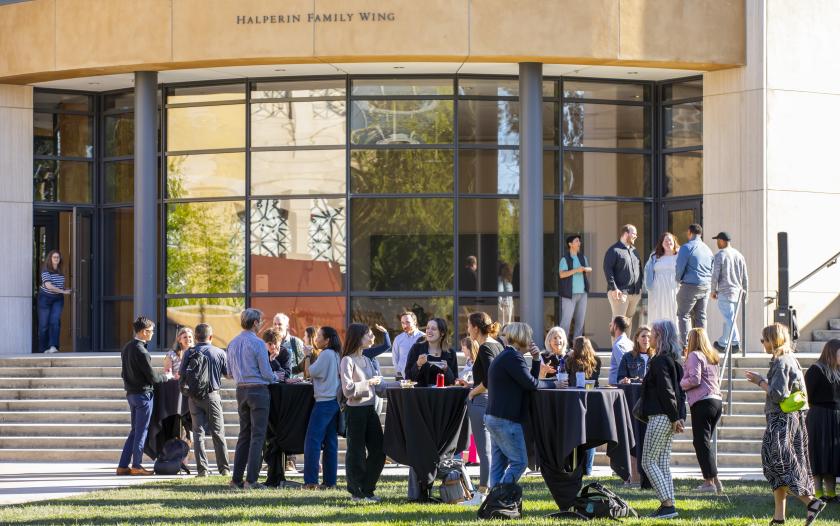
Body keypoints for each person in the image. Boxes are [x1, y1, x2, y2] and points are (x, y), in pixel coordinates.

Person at [745, 323, 826, 526]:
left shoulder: (782, 362)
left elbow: (778, 394)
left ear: (773, 340)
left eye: (764, 340)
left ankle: (811, 502)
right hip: (790, 419)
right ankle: (778, 518)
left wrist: (760, 381)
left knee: (779, 463)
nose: (763, 344)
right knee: (776, 466)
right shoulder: (789, 359)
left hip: (782, 419)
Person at [484, 322, 554, 488]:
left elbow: (527, 383)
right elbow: (532, 384)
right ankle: (501, 493)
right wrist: (554, 384)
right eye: (529, 336)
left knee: (499, 464)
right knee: (519, 463)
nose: (531, 340)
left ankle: (495, 498)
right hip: (505, 419)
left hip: (494, 417)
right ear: (521, 337)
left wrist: (536, 360)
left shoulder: (507, 356)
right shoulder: (513, 357)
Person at [640, 319, 686, 520]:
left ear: (660, 337)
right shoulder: (674, 361)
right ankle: (669, 505)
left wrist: (676, 417)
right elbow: (680, 393)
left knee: (648, 461)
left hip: (660, 416)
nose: (649, 337)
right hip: (669, 417)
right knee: (662, 462)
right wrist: (679, 417)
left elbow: (667, 391)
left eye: (653, 333)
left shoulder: (659, 361)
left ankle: (667, 504)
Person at [227, 308, 276, 490]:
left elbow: (229, 373)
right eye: (260, 321)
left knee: (244, 435)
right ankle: (251, 480)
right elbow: (266, 373)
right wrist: (275, 376)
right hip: (258, 390)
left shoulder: (232, 343)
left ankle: (236, 480)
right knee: (258, 436)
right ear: (255, 323)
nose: (261, 324)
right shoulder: (258, 343)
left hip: (241, 390)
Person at [340, 323, 386, 502]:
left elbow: (379, 387)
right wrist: (369, 382)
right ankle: (357, 492)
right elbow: (348, 390)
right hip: (355, 412)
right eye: (369, 334)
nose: (372, 337)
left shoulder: (367, 359)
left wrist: (401, 386)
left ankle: (367, 489)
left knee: (379, 450)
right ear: (358, 337)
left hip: (370, 409)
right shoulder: (347, 360)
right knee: (356, 452)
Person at [178, 323, 231, 477]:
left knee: (198, 433)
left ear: (195, 337)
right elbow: (228, 374)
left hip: (193, 397)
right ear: (211, 337)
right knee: (218, 432)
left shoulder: (189, 352)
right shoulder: (219, 352)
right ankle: (224, 469)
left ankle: (202, 470)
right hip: (212, 396)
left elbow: (181, 373)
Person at [463, 312, 504, 503]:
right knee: (493, 451)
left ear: (476, 328)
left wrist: (472, 392)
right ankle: (492, 490)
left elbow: (489, 379)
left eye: (468, 326)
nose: (467, 329)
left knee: (484, 451)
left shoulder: (486, 347)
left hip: (482, 402)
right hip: (495, 401)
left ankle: (481, 493)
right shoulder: (498, 345)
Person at [117, 316, 164, 476]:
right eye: (151, 331)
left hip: (131, 394)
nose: (152, 334)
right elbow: (153, 378)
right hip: (143, 395)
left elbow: (123, 373)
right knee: (141, 431)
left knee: (135, 431)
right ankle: (136, 465)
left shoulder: (127, 347)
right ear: (144, 332)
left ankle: (123, 466)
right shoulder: (142, 351)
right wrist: (167, 377)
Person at [680, 328, 722, 493]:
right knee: (705, 443)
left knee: (700, 443)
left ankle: (709, 482)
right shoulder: (712, 356)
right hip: (716, 401)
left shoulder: (694, 355)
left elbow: (694, 380)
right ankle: (715, 480)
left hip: (702, 402)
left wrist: (680, 383)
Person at [303, 326, 343, 490]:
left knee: (312, 441)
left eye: (319, 336)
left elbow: (308, 372)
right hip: (334, 401)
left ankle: (311, 481)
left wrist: (307, 355)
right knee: (330, 442)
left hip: (323, 402)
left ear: (327, 340)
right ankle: (329, 482)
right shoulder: (336, 354)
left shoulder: (325, 354)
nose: (316, 339)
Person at [805, 339, 840, 503]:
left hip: (836, 417)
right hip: (819, 417)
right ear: (832, 352)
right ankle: (818, 494)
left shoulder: (838, 371)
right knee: (819, 454)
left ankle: (832, 494)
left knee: (832, 456)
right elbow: (807, 395)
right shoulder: (816, 370)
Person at [566, 336, 602, 475]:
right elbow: (596, 380)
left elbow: (568, 378)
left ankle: (573, 467)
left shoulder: (570, 360)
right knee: (589, 436)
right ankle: (588, 469)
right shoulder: (596, 360)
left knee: (573, 434)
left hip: (573, 399)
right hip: (591, 398)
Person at [675, 224, 714, 345]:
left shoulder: (686, 247)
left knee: (683, 315)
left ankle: (686, 345)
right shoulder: (708, 249)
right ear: (700, 234)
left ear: (689, 232)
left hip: (690, 286)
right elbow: (712, 269)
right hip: (705, 286)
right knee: (701, 316)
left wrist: (678, 280)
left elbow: (679, 268)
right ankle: (702, 345)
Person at [710, 232, 749, 352]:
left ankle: (735, 343)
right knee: (730, 319)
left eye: (717, 240)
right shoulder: (739, 255)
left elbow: (715, 275)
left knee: (729, 318)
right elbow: (745, 277)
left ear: (722, 241)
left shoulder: (720, 255)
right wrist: (746, 293)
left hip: (725, 291)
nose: (717, 243)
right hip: (738, 293)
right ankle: (723, 343)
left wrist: (713, 290)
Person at [603, 225, 642, 331]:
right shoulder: (614, 250)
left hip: (634, 294)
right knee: (618, 325)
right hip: (620, 294)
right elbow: (607, 269)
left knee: (628, 325)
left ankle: (626, 343)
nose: (636, 236)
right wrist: (614, 288)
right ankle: (617, 343)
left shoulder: (634, 251)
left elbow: (639, 270)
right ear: (625, 234)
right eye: (634, 234)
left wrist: (639, 288)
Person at [404, 318, 458, 387]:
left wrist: (447, 369)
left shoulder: (450, 353)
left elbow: (454, 382)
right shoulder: (416, 349)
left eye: (433, 329)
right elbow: (408, 378)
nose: (429, 331)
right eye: (427, 328)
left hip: (441, 393)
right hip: (420, 392)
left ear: (442, 333)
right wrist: (418, 364)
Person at [37, 249, 71, 353]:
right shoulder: (45, 271)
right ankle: (43, 349)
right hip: (45, 298)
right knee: (44, 325)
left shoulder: (61, 271)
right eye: (54, 257)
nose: (56, 259)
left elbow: (58, 286)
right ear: (50, 259)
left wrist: (65, 290)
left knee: (55, 322)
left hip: (57, 299)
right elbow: (49, 286)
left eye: (58, 257)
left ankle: (53, 347)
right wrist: (63, 291)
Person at [644, 232, 680, 329]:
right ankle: (657, 335)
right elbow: (647, 271)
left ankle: (674, 335)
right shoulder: (654, 256)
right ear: (662, 243)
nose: (668, 242)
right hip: (657, 290)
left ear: (674, 242)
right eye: (665, 241)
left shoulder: (679, 255)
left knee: (673, 311)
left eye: (670, 240)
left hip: (673, 288)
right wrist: (648, 286)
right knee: (658, 313)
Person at [558, 234, 592, 339]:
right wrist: (576, 270)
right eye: (577, 241)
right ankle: (562, 344)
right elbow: (562, 274)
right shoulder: (565, 259)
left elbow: (589, 269)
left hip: (583, 293)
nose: (579, 243)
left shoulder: (582, 257)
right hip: (569, 294)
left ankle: (577, 344)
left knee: (580, 321)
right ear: (570, 244)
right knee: (566, 321)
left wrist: (584, 269)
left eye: (579, 241)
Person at [391, 311, 424, 381]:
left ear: (415, 322)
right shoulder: (398, 339)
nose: (405, 325)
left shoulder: (424, 337)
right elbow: (395, 358)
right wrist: (399, 372)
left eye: (407, 322)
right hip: (402, 377)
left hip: (420, 375)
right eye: (402, 323)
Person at [608, 316, 633, 385]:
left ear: (615, 326)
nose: (610, 325)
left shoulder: (618, 345)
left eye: (612, 324)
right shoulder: (630, 343)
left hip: (617, 386)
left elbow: (624, 366)